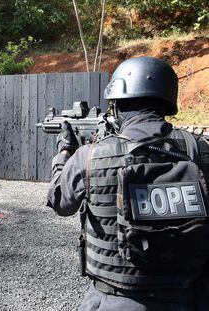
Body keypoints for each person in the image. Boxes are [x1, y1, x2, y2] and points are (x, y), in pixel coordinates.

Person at [46, 56, 209, 310]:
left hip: (115, 300)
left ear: (117, 106)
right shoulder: (200, 151)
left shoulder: (90, 156)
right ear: (167, 102)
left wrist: (64, 154)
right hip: (192, 298)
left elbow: (59, 201)